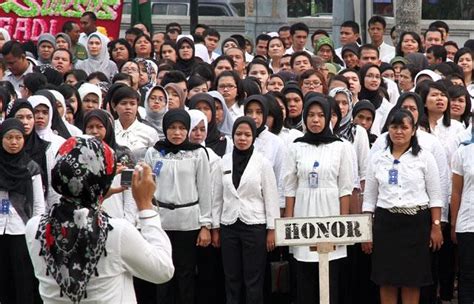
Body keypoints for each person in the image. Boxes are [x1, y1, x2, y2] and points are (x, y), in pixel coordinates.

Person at [25, 136, 174, 303]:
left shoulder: (34, 227)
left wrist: (96, 198)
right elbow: (163, 270)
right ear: (103, 179)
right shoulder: (116, 231)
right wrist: (145, 206)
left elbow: (77, 219)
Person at [362, 109, 443, 304]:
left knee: (411, 281)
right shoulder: (378, 158)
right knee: (386, 279)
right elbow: (369, 198)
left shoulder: (425, 157)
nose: (399, 131)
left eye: (404, 127)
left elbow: (435, 196)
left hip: (416, 224)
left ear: (413, 130)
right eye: (394, 127)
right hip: (385, 224)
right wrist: (366, 232)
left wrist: (436, 226)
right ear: (387, 129)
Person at [283, 94, 353, 304]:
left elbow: (345, 188)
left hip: (330, 213)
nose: (315, 120)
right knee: (304, 274)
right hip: (304, 212)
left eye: (321, 115)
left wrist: (343, 224)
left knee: (330, 276)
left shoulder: (340, 146)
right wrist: (288, 222)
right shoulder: (296, 146)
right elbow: (289, 186)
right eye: (311, 115)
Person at [144, 109, 212, 304]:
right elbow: (146, 188)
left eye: (182, 128)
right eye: (172, 128)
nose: (177, 133)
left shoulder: (197, 153)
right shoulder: (154, 152)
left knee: (186, 273)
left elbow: (205, 189)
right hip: (161, 221)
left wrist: (205, 224)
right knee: (161, 273)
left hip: (188, 222)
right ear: (165, 129)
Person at [211, 116, 279, 304]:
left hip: (255, 226)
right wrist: (215, 228)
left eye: (247, 134)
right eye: (238, 134)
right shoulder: (222, 162)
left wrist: (272, 230)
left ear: (253, 137)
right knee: (231, 278)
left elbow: (271, 197)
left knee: (253, 279)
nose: (242, 138)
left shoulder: (262, 163)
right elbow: (217, 197)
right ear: (232, 136)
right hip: (229, 226)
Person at [0, 118, 45, 304]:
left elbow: (38, 205)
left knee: (22, 281)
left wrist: (36, 232)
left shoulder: (31, 167)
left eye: (18, 137)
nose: (13, 142)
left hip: (22, 232)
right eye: (9, 137)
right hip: (0, 230)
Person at [82, 109, 136, 221]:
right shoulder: (79, 157)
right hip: (87, 219)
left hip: (117, 219)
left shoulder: (122, 155)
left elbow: (129, 190)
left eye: (99, 126)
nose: (94, 131)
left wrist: (129, 221)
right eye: (90, 127)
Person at [450, 126, 474, 304]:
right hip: (468, 223)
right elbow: (456, 192)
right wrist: (453, 223)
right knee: (467, 275)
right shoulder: (463, 152)